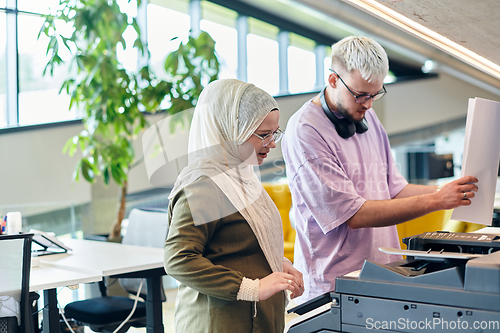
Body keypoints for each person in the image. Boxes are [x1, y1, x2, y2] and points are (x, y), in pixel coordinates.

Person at [281, 36, 478, 303]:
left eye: (375, 94)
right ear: (333, 80)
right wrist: (436, 200)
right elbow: (354, 215)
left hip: (384, 272)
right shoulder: (306, 131)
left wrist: (449, 191)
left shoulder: (368, 117)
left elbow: (395, 190)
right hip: (334, 285)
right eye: (360, 95)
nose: (369, 104)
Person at [164, 78, 304, 333]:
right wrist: (253, 288)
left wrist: (276, 262)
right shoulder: (204, 185)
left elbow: (238, 243)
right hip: (219, 322)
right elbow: (178, 259)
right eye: (263, 135)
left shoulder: (240, 175)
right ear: (230, 130)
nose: (272, 143)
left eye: (275, 133)